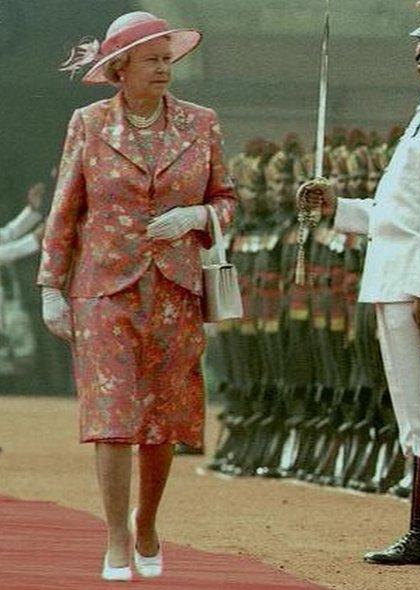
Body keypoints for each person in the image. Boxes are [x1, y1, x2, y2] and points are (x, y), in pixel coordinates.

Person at [40, 11, 235, 581]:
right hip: (103, 288)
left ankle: (146, 520)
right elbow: (65, 207)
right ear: (120, 67)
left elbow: (226, 199)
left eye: (167, 59)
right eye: (152, 60)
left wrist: (198, 215)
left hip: (175, 291)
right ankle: (117, 537)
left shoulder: (201, 124)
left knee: (164, 420)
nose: (164, 69)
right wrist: (52, 287)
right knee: (113, 416)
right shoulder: (89, 123)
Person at [297, 0, 420, 566]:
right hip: (394, 276)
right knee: (412, 407)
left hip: (417, 285)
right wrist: (339, 207)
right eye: (419, 42)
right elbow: (397, 211)